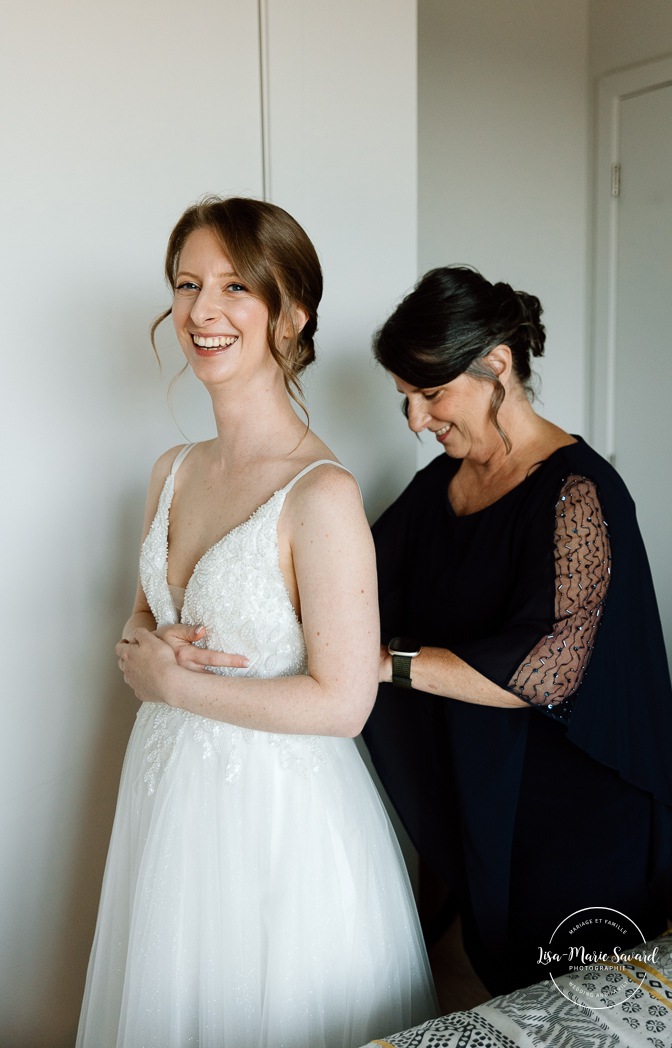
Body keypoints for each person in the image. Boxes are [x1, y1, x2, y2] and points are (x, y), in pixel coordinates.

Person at [76, 197, 436, 1047]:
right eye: (187, 284)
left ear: (291, 312)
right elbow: (139, 623)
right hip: (167, 796)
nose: (202, 311)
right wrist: (147, 646)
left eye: (236, 286)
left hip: (279, 818)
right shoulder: (171, 469)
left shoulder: (321, 493)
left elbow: (345, 703)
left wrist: (173, 684)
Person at [362, 265, 672, 996]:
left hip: (577, 803)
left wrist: (384, 663)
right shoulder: (435, 489)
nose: (416, 420)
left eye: (431, 392)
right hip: (486, 784)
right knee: (508, 985)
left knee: (582, 993)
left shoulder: (579, 491)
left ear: (497, 364)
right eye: (405, 399)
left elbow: (548, 669)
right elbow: (354, 582)